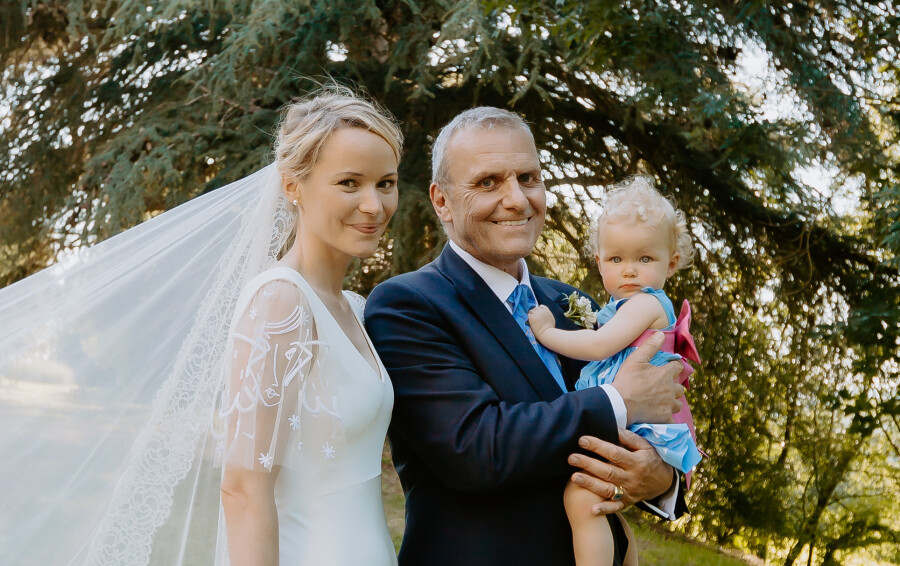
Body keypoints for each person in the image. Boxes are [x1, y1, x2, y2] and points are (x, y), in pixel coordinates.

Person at [0, 87, 402, 566]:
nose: (374, 205)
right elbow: (242, 487)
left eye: (386, 183)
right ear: (293, 185)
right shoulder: (281, 302)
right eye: (349, 183)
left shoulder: (353, 307)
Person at [365, 107, 688, 566]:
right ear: (442, 201)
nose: (517, 199)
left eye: (528, 177)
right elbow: (476, 449)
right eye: (488, 182)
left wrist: (659, 479)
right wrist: (619, 400)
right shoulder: (408, 305)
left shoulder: (571, 303)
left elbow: (627, 432)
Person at [527, 177, 703, 566]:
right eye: (616, 259)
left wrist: (545, 331)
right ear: (599, 261)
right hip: (627, 419)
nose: (629, 271)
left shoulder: (646, 304)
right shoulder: (616, 307)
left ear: (670, 263)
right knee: (607, 507)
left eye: (645, 259)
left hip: (641, 426)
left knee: (582, 499)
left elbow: (599, 346)